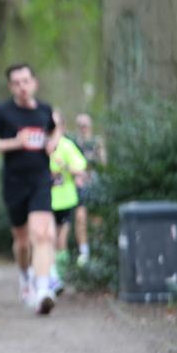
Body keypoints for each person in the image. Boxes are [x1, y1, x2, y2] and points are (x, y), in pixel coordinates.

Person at [0, 63, 61, 315]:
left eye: (26, 81)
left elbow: (56, 127)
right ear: (10, 87)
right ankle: (25, 276)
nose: (22, 87)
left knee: (42, 234)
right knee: (23, 242)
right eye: (16, 83)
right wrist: (15, 142)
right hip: (14, 184)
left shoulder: (45, 109)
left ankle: (43, 289)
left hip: (40, 181)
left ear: (34, 82)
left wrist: (53, 143)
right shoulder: (3, 112)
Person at [49, 111, 87, 295]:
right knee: (46, 240)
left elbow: (80, 169)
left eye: (56, 125)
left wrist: (64, 166)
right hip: (44, 202)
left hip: (64, 201)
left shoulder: (67, 146)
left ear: (62, 128)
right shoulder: (42, 146)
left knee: (61, 240)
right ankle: (47, 276)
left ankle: (59, 278)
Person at [72, 113, 107, 266]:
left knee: (97, 219)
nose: (83, 128)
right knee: (80, 218)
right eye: (80, 125)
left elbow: (104, 163)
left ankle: (98, 250)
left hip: (95, 184)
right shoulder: (74, 143)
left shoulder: (97, 142)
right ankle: (84, 252)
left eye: (85, 125)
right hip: (80, 185)